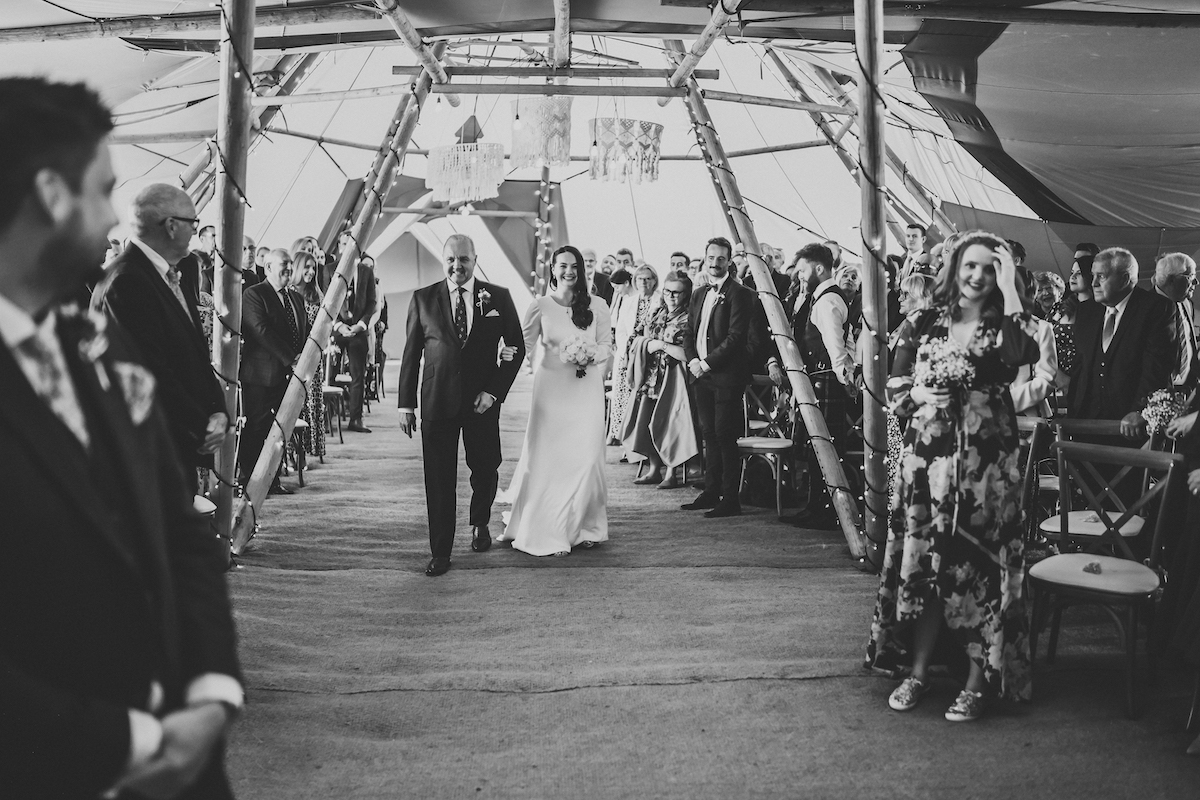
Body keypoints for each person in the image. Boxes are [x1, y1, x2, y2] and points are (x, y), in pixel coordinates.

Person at [0, 74, 242, 800]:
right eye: (102, 190)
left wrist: (209, 690)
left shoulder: (99, 343)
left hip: (186, 757)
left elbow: (178, 524)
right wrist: (135, 738)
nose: (114, 220)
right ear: (50, 193)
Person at [867, 231, 1039, 722]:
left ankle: (975, 682)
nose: (978, 275)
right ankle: (917, 671)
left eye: (989, 268)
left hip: (985, 469)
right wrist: (917, 397)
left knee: (977, 567)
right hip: (927, 461)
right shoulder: (924, 319)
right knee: (927, 567)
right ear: (955, 266)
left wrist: (1011, 289)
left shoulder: (1002, 322)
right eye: (972, 265)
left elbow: (1020, 355)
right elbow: (893, 383)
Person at [397, 234, 524, 576]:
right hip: (437, 402)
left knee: (485, 467)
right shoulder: (423, 299)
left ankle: (480, 521)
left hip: (482, 402)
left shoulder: (498, 297)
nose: (457, 265)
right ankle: (440, 550)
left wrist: (494, 391)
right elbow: (411, 354)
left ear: (475, 259)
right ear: (444, 259)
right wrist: (405, 404)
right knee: (438, 479)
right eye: (451, 259)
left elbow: (517, 348)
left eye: (464, 259)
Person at [91, 183, 228, 476]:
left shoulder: (171, 273)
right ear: (171, 226)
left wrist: (219, 409)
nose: (195, 231)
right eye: (193, 223)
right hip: (151, 454)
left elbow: (193, 351)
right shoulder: (127, 282)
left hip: (175, 445)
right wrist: (201, 425)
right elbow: (150, 371)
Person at [500, 246, 612, 556]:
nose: (569, 271)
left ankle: (587, 526)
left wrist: (590, 353)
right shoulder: (540, 306)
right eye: (562, 265)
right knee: (551, 461)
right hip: (551, 393)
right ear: (553, 269)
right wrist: (502, 356)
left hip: (586, 390)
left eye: (574, 265)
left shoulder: (599, 306)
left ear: (581, 270)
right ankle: (551, 530)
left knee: (588, 459)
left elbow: (606, 346)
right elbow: (522, 345)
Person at [681, 237, 756, 518]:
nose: (715, 263)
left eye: (721, 259)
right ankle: (711, 490)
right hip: (700, 374)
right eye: (711, 258)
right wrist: (692, 361)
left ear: (729, 262)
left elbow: (736, 338)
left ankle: (730, 498)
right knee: (708, 433)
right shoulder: (699, 292)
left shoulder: (741, 293)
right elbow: (689, 331)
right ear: (705, 258)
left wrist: (707, 363)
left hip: (725, 375)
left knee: (726, 436)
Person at [785, 243, 858, 529]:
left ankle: (823, 510)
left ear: (818, 268)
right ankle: (816, 506)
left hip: (826, 379)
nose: (800, 276)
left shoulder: (827, 300)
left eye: (803, 270)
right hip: (822, 379)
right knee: (818, 446)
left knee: (823, 446)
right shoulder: (820, 297)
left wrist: (846, 382)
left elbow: (836, 345)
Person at [1067, 247, 1177, 437]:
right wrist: (1072, 413)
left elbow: (1157, 366)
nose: (1093, 283)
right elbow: (1080, 367)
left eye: (1101, 276)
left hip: (1131, 425)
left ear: (1125, 279)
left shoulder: (1156, 308)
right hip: (1085, 420)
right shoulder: (1086, 310)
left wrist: (1140, 410)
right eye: (1093, 275)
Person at [239, 248, 310, 494]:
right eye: (284, 264)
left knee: (281, 429)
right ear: (268, 268)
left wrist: (303, 358)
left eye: (291, 264)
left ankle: (273, 480)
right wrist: (292, 358)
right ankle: (251, 481)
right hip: (261, 376)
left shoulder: (295, 297)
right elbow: (260, 330)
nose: (290, 269)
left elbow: (303, 330)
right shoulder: (254, 294)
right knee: (257, 428)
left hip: (289, 376)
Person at [622, 271, 700, 488]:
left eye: (677, 292)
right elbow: (633, 338)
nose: (671, 296)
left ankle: (671, 473)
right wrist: (646, 344)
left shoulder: (690, 318)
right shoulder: (656, 313)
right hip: (650, 377)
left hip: (675, 379)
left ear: (686, 294)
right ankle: (654, 468)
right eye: (667, 291)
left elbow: (690, 353)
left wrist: (663, 346)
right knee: (647, 423)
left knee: (670, 424)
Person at [608, 264, 658, 449]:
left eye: (647, 278)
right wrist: (626, 353)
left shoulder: (659, 301)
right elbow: (621, 330)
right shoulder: (629, 301)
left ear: (654, 281)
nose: (643, 282)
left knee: (643, 403)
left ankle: (643, 444)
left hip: (650, 358)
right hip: (628, 357)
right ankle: (624, 441)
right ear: (634, 281)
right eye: (639, 279)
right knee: (624, 400)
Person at [331, 251, 378, 433]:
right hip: (336, 330)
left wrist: (360, 325)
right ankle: (330, 418)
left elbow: (372, 301)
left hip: (358, 330)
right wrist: (338, 325)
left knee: (358, 376)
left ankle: (356, 419)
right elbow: (325, 300)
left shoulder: (366, 271)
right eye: (343, 244)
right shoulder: (329, 270)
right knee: (331, 374)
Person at [292, 250, 325, 459]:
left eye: (314, 268)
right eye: (307, 267)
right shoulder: (289, 293)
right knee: (296, 405)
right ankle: (296, 452)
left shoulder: (317, 295)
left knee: (313, 404)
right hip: (295, 358)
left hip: (313, 358)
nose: (311, 272)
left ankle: (310, 449)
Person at [1153, 252, 1199, 396]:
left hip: (1188, 391)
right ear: (1172, 280)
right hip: (1158, 394)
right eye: (1190, 277)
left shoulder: (1187, 304)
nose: (1196, 282)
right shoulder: (1146, 307)